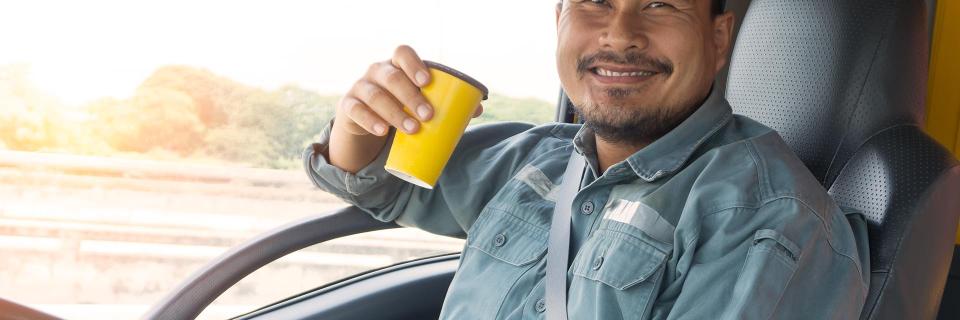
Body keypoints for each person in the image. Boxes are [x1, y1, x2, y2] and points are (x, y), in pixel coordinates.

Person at [303, 0, 869, 318]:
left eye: (660, 4)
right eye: (595, 2)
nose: (620, 34)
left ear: (719, 38)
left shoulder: (767, 220)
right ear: (560, 22)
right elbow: (386, 185)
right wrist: (364, 122)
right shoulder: (541, 160)